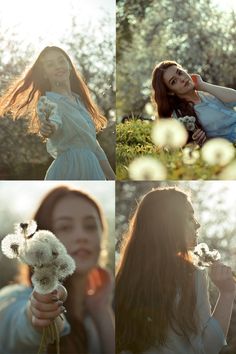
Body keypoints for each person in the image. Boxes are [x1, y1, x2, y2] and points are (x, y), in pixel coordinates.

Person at [116, 187, 236, 354]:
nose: (197, 224)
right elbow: (209, 348)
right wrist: (227, 293)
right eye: (189, 217)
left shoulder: (124, 279)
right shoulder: (190, 274)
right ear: (169, 224)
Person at [0, 185, 115, 354]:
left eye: (90, 226)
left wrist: (101, 310)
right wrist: (39, 311)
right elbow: (18, 329)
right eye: (65, 227)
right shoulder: (13, 299)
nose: (81, 235)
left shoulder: (96, 313)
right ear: (41, 239)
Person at [0, 46, 115, 180]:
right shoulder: (48, 101)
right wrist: (49, 127)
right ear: (45, 74)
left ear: (70, 66)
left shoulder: (80, 102)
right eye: (50, 64)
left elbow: (94, 146)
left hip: (93, 170)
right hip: (69, 169)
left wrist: (112, 177)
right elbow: (53, 120)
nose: (58, 66)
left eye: (61, 61)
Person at [152, 60, 236, 145]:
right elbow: (184, 145)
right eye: (174, 81)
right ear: (170, 92)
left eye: (180, 73)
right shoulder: (181, 117)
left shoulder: (206, 92)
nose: (182, 79)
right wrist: (198, 142)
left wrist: (203, 85)